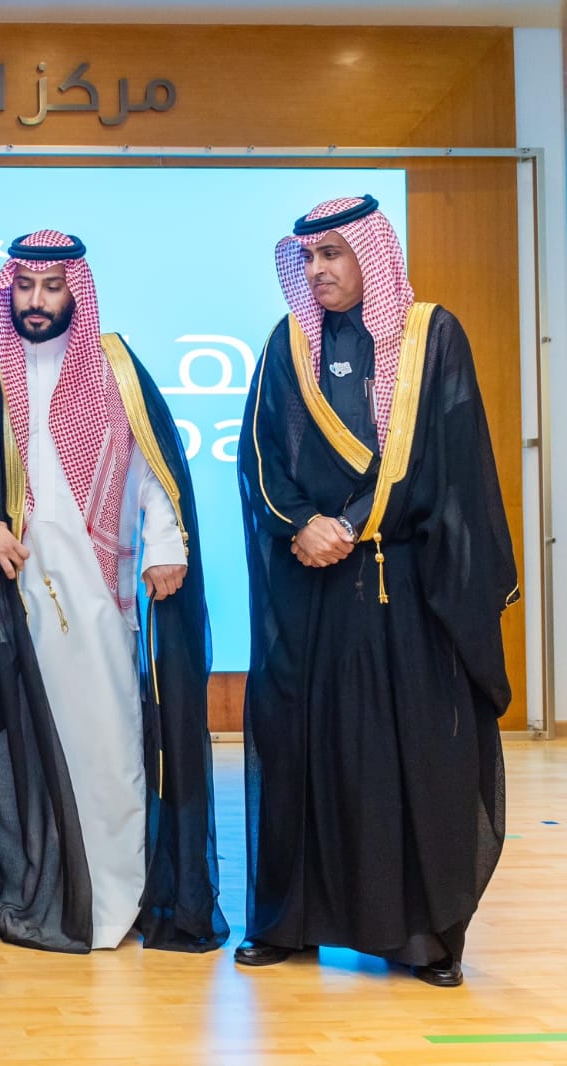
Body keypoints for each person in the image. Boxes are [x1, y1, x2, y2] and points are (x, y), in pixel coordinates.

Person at [236, 195, 516, 987]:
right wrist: (301, 524)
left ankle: (422, 938)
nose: (317, 270)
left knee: (413, 757)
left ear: (371, 253)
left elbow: (446, 462)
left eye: (332, 253)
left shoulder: (433, 336)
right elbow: (260, 455)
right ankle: (289, 923)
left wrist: (353, 524)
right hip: (312, 590)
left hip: (408, 591)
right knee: (303, 750)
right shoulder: (289, 343)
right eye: (307, 257)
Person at [0, 231, 228, 954]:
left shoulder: (114, 364)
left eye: (52, 287)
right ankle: (38, 896)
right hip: (10, 598)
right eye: (24, 286)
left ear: (75, 292)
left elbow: (155, 468)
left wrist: (164, 543)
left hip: (100, 596)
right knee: (19, 753)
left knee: (110, 745)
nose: (36, 301)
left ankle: (116, 899)